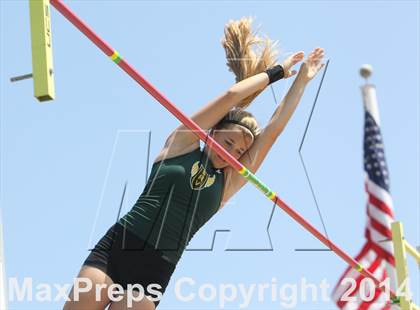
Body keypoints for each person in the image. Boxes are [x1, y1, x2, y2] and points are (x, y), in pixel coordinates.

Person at [63, 17, 325, 310]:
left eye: (239, 152)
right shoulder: (182, 144)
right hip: (117, 248)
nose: (232, 154)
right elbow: (230, 96)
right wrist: (278, 72)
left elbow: (273, 130)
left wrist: (302, 80)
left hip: (154, 270)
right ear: (211, 132)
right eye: (228, 143)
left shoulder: (228, 182)